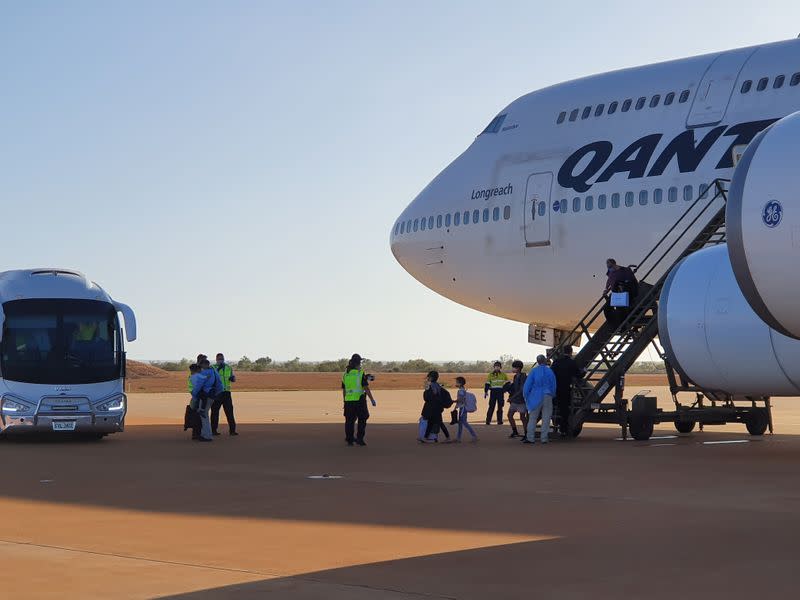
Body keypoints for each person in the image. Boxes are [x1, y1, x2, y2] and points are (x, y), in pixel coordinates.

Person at [341, 353, 376, 446]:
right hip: (359, 400)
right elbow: (366, 388)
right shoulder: (360, 374)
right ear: (358, 363)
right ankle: (360, 438)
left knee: (349, 421)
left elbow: (344, 390)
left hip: (348, 401)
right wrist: (372, 399)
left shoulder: (345, 375)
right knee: (363, 418)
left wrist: (344, 401)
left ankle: (349, 439)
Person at [522, 355, 557, 445]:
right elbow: (554, 385)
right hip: (547, 395)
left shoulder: (533, 371)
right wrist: (552, 394)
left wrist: (526, 396)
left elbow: (527, 385)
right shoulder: (550, 371)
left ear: (537, 361)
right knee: (546, 418)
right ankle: (544, 438)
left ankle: (530, 438)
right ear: (545, 361)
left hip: (535, 396)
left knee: (532, 418)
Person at [550, 346, 583, 437]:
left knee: (555, 407)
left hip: (555, 389)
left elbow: (551, 373)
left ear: (562, 351)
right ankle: (563, 429)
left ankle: (554, 425)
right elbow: (579, 375)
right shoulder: (572, 363)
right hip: (565, 389)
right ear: (571, 352)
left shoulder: (556, 362)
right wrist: (584, 372)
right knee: (565, 409)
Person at [603, 258, 639, 326]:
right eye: (608, 267)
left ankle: (622, 326)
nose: (609, 269)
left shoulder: (624, 271)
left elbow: (632, 281)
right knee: (606, 309)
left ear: (614, 264)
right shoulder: (610, 272)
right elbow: (609, 280)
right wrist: (606, 289)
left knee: (621, 311)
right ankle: (613, 324)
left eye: (610, 267)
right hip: (615, 293)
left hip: (623, 293)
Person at [421, 371, 452, 443]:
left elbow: (426, 398)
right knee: (432, 423)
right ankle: (425, 437)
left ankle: (448, 437)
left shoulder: (430, 387)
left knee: (439, 423)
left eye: (429, 377)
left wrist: (426, 390)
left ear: (431, 378)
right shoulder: (438, 386)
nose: (428, 378)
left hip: (433, 409)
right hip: (438, 408)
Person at [211, 353, 238, 436]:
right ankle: (213, 430)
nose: (220, 360)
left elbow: (233, 378)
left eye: (222, 358)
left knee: (229, 412)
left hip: (226, 393)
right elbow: (211, 379)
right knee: (215, 412)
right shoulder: (213, 368)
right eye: (219, 359)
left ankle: (232, 430)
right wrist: (218, 369)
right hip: (217, 393)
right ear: (216, 359)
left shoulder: (228, 367)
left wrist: (232, 378)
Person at [188, 363, 213, 442]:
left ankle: (206, 435)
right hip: (201, 392)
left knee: (203, 414)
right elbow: (203, 379)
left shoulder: (192, 377)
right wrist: (207, 377)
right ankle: (206, 435)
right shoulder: (197, 375)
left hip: (197, 393)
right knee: (204, 400)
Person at [505, 360, 528, 439]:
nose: (513, 369)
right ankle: (515, 431)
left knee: (522, 417)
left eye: (514, 367)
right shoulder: (515, 377)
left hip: (521, 400)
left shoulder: (523, 377)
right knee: (510, 415)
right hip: (515, 400)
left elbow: (521, 390)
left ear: (518, 368)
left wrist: (512, 397)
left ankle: (526, 433)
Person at [453, 376, 478, 443]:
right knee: (461, 423)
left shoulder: (460, 390)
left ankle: (474, 436)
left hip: (463, 408)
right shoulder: (463, 389)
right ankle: (458, 438)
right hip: (463, 408)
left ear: (460, 383)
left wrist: (454, 402)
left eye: (457, 382)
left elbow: (461, 400)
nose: (456, 383)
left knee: (464, 423)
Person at [484, 361, 508, 425]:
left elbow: (507, 383)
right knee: (491, 406)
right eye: (496, 366)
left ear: (500, 367)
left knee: (500, 407)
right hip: (493, 392)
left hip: (500, 392)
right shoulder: (490, 375)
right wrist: (486, 391)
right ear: (494, 367)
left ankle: (499, 421)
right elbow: (487, 383)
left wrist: (505, 389)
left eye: (498, 366)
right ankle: (488, 420)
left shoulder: (504, 375)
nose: (497, 368)